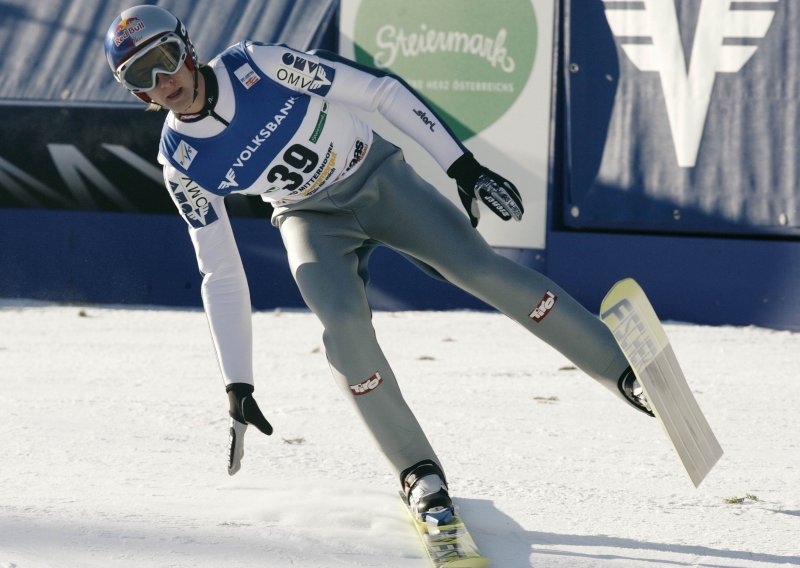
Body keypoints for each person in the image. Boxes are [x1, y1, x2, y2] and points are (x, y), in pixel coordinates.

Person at [104, 5, 652, 523]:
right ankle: (418, 471)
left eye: (166, 57)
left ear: (189, 48)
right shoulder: (180, 162)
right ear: (135, 94)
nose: (162, 80)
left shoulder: (257, 65)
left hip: (377, 178)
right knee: (341, 328)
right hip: (308, 219)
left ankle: (621, 372)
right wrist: (237, 383)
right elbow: (219, 272)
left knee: (479, 270)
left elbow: (380, 93)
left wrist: (463, 167)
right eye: (141, 77)